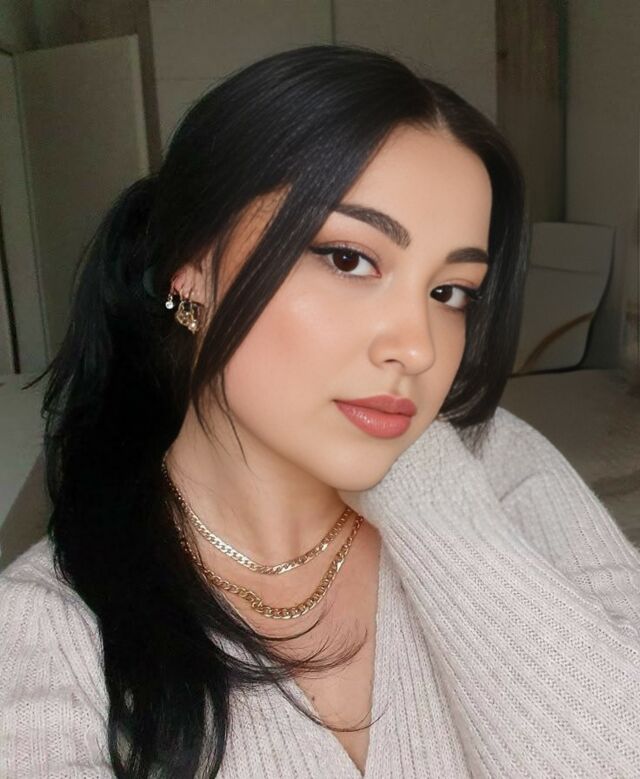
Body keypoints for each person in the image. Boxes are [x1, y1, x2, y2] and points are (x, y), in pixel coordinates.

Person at [1, 43, 639, 779]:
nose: (419, 348)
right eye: (348, 258)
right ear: (193, 268)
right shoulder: (47, 631)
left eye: (450, 292)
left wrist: (417, 476)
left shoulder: (498, 463)